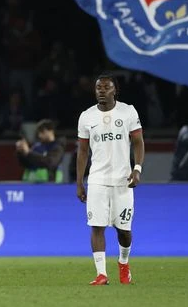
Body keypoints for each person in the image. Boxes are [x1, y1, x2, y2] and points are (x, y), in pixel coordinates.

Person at [76, 73, 145, 286]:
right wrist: (79, 182)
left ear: (115, 90)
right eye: (99, 87)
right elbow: (82, 151)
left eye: (106, 87)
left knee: (123, 230)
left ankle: (123, 263)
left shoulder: (128, 111)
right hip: (97, 180)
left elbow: (138, 142)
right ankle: (101, 274)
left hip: (123, 180)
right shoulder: (86, 116)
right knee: (97, 226)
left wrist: (137, 169)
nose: (102, 91)